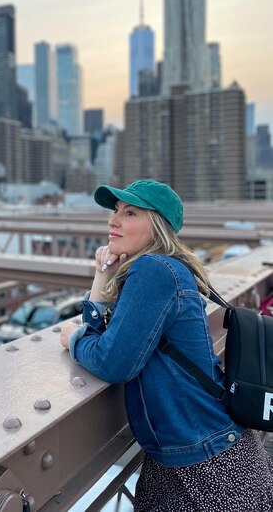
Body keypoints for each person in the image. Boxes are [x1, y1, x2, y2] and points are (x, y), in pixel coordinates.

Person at [60, 179, 273, 511]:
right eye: (115, 211)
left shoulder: (153, 269)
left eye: (129, 213)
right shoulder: (164, 270)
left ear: (157, 227)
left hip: (208, 465)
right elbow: (114, 338)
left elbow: (112, 361)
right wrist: (101, 278)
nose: (113, 220)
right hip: (193, 452)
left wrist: (73, 339)